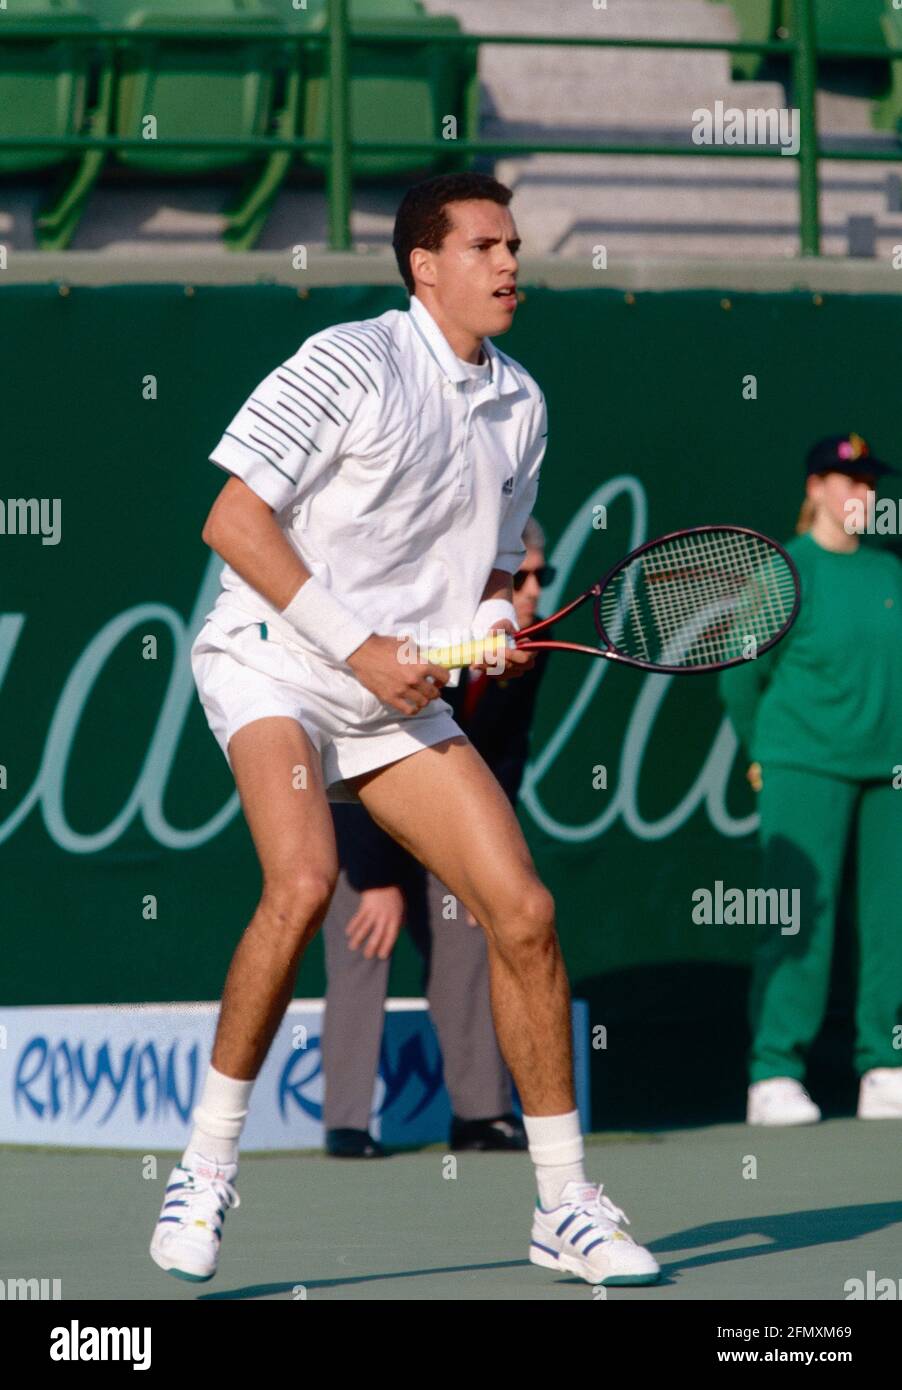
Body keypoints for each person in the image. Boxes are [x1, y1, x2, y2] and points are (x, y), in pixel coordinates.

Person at [150, 171, 660, 1287]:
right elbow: (231, 518)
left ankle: (563, 1202)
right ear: (423, 265)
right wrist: (358, 643)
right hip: (275, 661)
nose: (510, 263)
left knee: (522, 911)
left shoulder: (521, 404)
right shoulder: (347, 360)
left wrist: (489, 621)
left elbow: (485, 563)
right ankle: (204, 1169)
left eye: (515, 244)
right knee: (300, 881)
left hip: (392, 698)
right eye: (484, 245)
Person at [321, 518, 555, 1158]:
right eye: (519, 578)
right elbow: (351, 749)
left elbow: (504, 758)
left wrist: (480, 854)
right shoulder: (398, 625)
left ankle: (481, 1115)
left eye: (540, 577)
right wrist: (376, 881)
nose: (531, 591)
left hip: (452, 801)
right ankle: (346, 1123)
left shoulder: (528, 646)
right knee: (363, 941)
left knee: (473, 937)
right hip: (356, 797)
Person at [719, 434, 902, 1126]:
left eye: (870, 483)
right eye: (849, 481)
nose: (864, 495)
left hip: (890, 771)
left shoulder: (889, 573)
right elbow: (741, 677)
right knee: (795, 918)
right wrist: (760, 750)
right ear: (816, 488)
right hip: (804, 762)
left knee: (892, 923)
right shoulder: (785, 570)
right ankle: (774, 1073)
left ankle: (884, 1064)